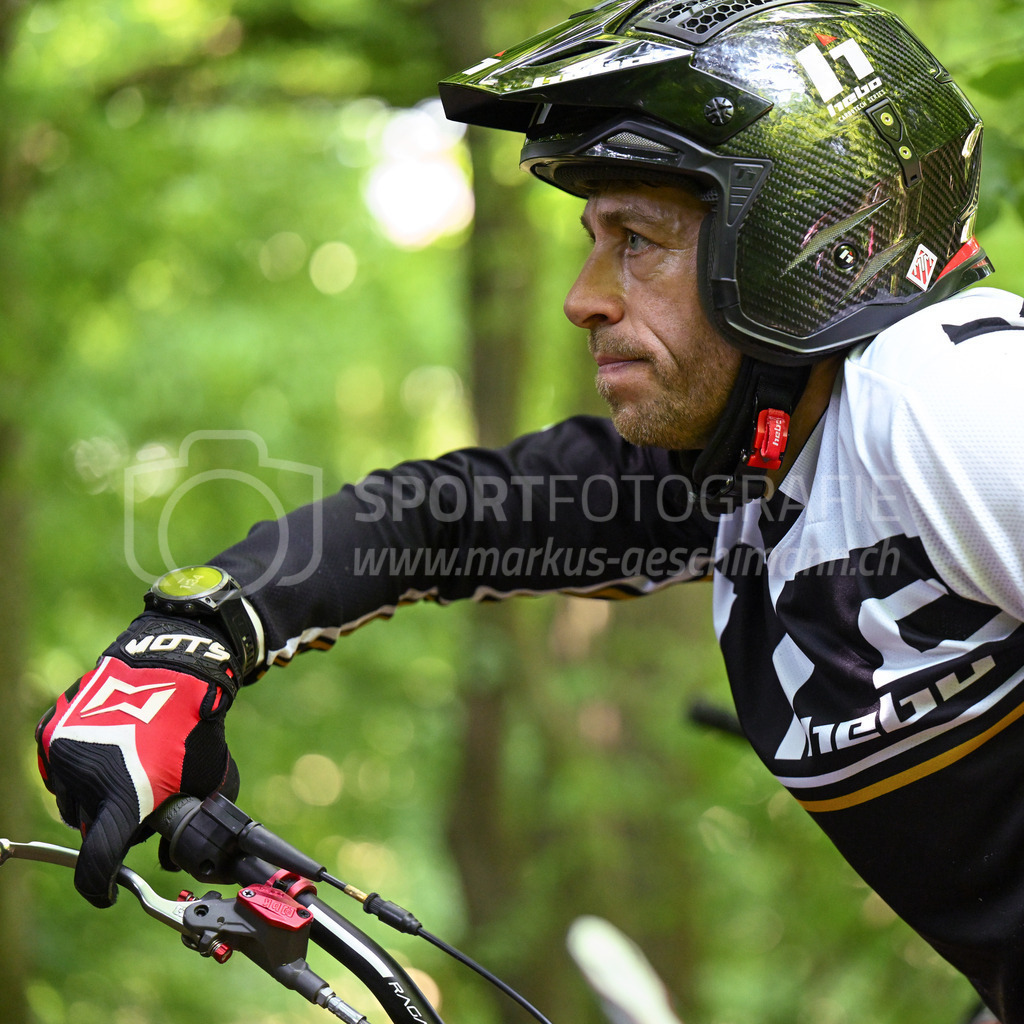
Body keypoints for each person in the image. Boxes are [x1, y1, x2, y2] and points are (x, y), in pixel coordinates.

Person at [35, 0, 1024, 1019]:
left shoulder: (951, 403)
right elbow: (440, 520)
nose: (583, 297)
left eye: (637, 240)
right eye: (595, 240)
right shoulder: (749, 465)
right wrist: (189, 637)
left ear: (807, 247)